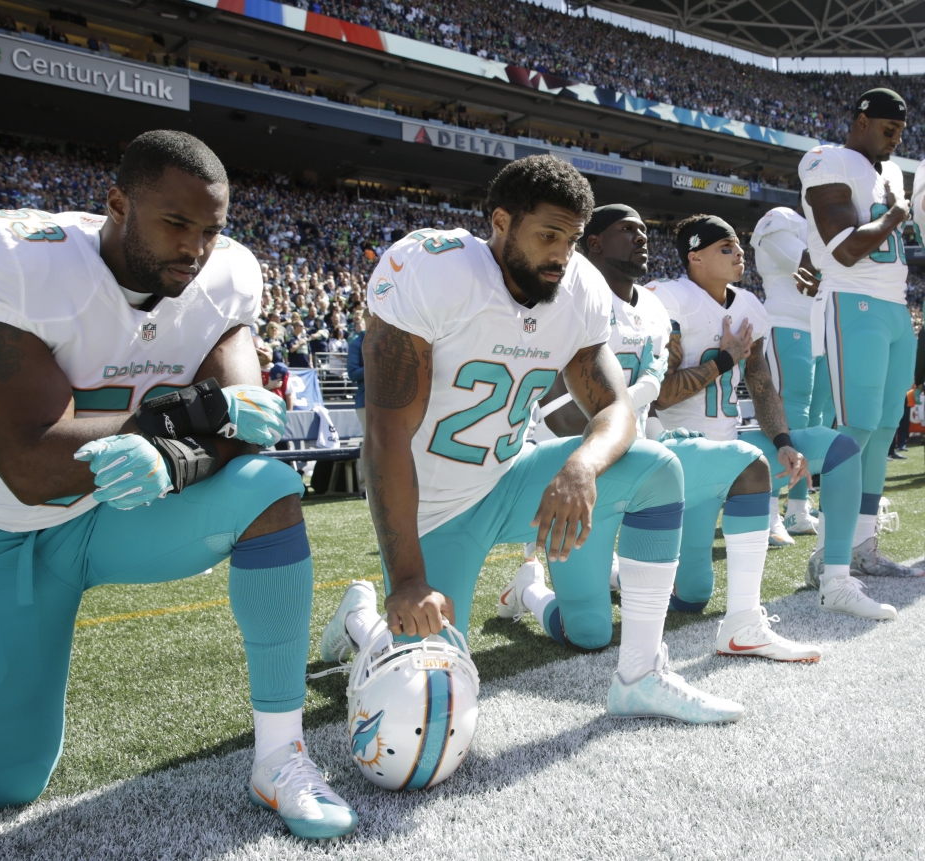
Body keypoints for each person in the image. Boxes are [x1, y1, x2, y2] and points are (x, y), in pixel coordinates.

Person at [0, 131, 357, 839]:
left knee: (267, 487)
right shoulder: (14, 260)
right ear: (118, 203)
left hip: (127, 517)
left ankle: (280, 755)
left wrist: (176, 457)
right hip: (10, 528)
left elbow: (244, 424)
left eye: (212, 229)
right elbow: (33, 467)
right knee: (3, 783)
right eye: (176, 223)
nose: (195, 247)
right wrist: (176, 424)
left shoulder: (225, 277)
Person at [358, 156, 743, 725]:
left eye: (572, 238)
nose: (562, 254)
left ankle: (642, 675)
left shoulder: (580, 288)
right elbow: (385, 433)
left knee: (657, 469)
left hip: (511, 480)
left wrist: (582, 465)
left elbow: (615, 408)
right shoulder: (434, 271)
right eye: (548, 235)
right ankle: (360, 618)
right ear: (501, 221)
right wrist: (410, 580)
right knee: (429, 708)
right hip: (431, 508)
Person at [520, 205, 821, 660]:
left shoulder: (655, 311)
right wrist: (721, 361)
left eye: (645, 230)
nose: (643, 238)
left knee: (748, 466)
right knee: (589, 633)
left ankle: (743, 625)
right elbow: (578, 406)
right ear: (593, 242)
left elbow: (671, 393)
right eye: (628, 230)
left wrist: (782, 441)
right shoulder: (568, 298)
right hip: (581, 465)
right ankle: (528, 591)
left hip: (648, 458)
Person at [647, 214, 893, 620]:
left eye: (739, 246)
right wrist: (725, 360)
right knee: (694, 598)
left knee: (841, 449)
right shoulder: (668, 299)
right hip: (684, 463)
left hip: (734, 450)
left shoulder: (746, 304)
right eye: (725, 248)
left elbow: (761, 386)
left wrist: (783, 443)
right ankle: (646, 574)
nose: (739, 253)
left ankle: (835, 580)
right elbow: (661, 395)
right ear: (695, 257)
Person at [800, 88, 923, 579]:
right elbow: (846, 249)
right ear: (861, 120)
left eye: (901, 133)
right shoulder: (826, 159)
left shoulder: (890, 171)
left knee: (882, 432)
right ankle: (827, 554)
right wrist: (894, 214)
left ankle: (863, 548)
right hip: (853, 302)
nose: (895, 141)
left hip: (895, 308)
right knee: (854, 429)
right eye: (888, 130)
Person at [751, 203, 834, 543]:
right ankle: (768, 511)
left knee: (818, 419)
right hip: (786, 322)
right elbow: (805, 266)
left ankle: (798, 507)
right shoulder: (782, 218)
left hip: (821, 326)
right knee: (789, 417)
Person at [347, 323, 366, 433]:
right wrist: (374, 366)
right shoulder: (357, 344)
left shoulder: (387, 340)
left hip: (390, 402)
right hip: (365, 401)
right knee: (372, 441)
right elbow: (353, 373)